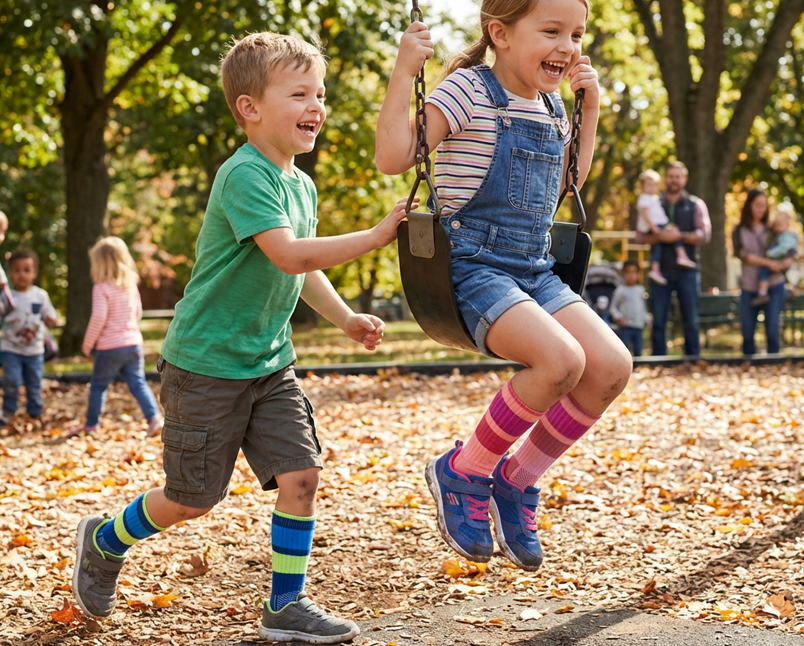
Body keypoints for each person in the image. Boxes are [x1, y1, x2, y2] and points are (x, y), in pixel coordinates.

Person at [72, 32, 413, 644]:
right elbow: (286, 254)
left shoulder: (300, 185)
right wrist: (374, 235)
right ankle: (104, 539)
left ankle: (286, 605)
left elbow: (303, 269)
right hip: (207, 365)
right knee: (191, 499)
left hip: (269, 363)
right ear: (250, 108)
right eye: (299, 93)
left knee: (301, 475)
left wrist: (346, 319)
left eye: (321, 93)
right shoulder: (244, 176)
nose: (317, 106)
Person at [375, 0, 632, 571]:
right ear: (501, 33)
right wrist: (403, 71)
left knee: (611, 366)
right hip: (471, 267)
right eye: (551, 31)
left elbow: (571, 181)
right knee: (560, 362)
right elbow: (394, 156)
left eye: (576, 34)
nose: (567, 46)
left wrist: (588, 112)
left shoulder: (550, 102)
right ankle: (464, 470)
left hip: (534, 270)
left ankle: (517, 481)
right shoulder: (468, 89)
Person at [77, 236, 163, 436]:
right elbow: (138, 313)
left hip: (109, 348)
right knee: (138, 382)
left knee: (98, 386)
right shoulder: (130, 286)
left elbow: (98, 317)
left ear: (99, 263)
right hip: (133, 344)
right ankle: (154, 418)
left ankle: (91, 424)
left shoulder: (101, 288)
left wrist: (87, 344)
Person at [635, 162, 711, 356]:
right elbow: (640, 236)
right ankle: (659, 360)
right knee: (659, 319)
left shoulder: (695, 204)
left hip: (687, 271)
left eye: (678, 176)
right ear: (665, 179)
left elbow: (704, 235)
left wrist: (680, 236)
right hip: (661, 270)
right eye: (670, 176)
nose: (674, 180)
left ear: (684, 179)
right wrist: (661, 236)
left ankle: (693, 359)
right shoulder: (652, 202)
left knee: (690, 318)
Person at [0, 249, 58, 425]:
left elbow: (50, 314)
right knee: (11, 380)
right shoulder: (6, 296)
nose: (21, 275)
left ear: (34, 273)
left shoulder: (40, 295)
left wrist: (50, 319)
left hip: (34, 350)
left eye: (26, 270)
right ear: (10, 273)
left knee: (34, 383)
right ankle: (8, 410)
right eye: (17, 270)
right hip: (10, 348)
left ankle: (34, 412)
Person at [732, 189, 792, 355]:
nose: (761, 209)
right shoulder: (739, 230)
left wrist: (787, 261)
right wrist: (768, 263)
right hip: (749, 285)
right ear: (749, 206)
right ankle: (748, 366)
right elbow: (743, 255)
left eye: (764, 206)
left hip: (774, 284)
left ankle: (773, 366)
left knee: (772, 329)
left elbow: (787, 245)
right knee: (748, 333)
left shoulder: (773, 229)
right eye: (757, 205)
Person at [636, 169, 696, 285]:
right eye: (648, 185)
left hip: (659, 224)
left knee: (661, 244)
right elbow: (645, 215)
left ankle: (655, 269)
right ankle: (681, 255)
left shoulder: (654, 198)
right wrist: (654, 228)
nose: (651, 188)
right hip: (657, 225)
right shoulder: (644, 199)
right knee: (674, 233)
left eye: (654, 185)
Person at [750, 204, 798, 307]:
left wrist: (770, 254)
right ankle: (790, 290)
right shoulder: (788, 235)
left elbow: (783, 249)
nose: (776, 228)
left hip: (777, 260)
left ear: (788, 224)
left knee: (763, 271)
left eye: (779, 225)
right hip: (780, 263)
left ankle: (762, 293)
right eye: (775, 225)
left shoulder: (785, 237)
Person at [610, 260, 648, 356]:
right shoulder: (620, 290)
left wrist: (647, 319)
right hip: (626, 326)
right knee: (625, 350)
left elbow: (643, 307)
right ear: (623, 274)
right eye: (628, 272)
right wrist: (618, 317)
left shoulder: (641, 290)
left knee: (638, 349)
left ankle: (638, 368)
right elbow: (613, 307)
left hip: (638, 326)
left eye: (634, 272)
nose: (631, 275)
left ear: (638, 274)